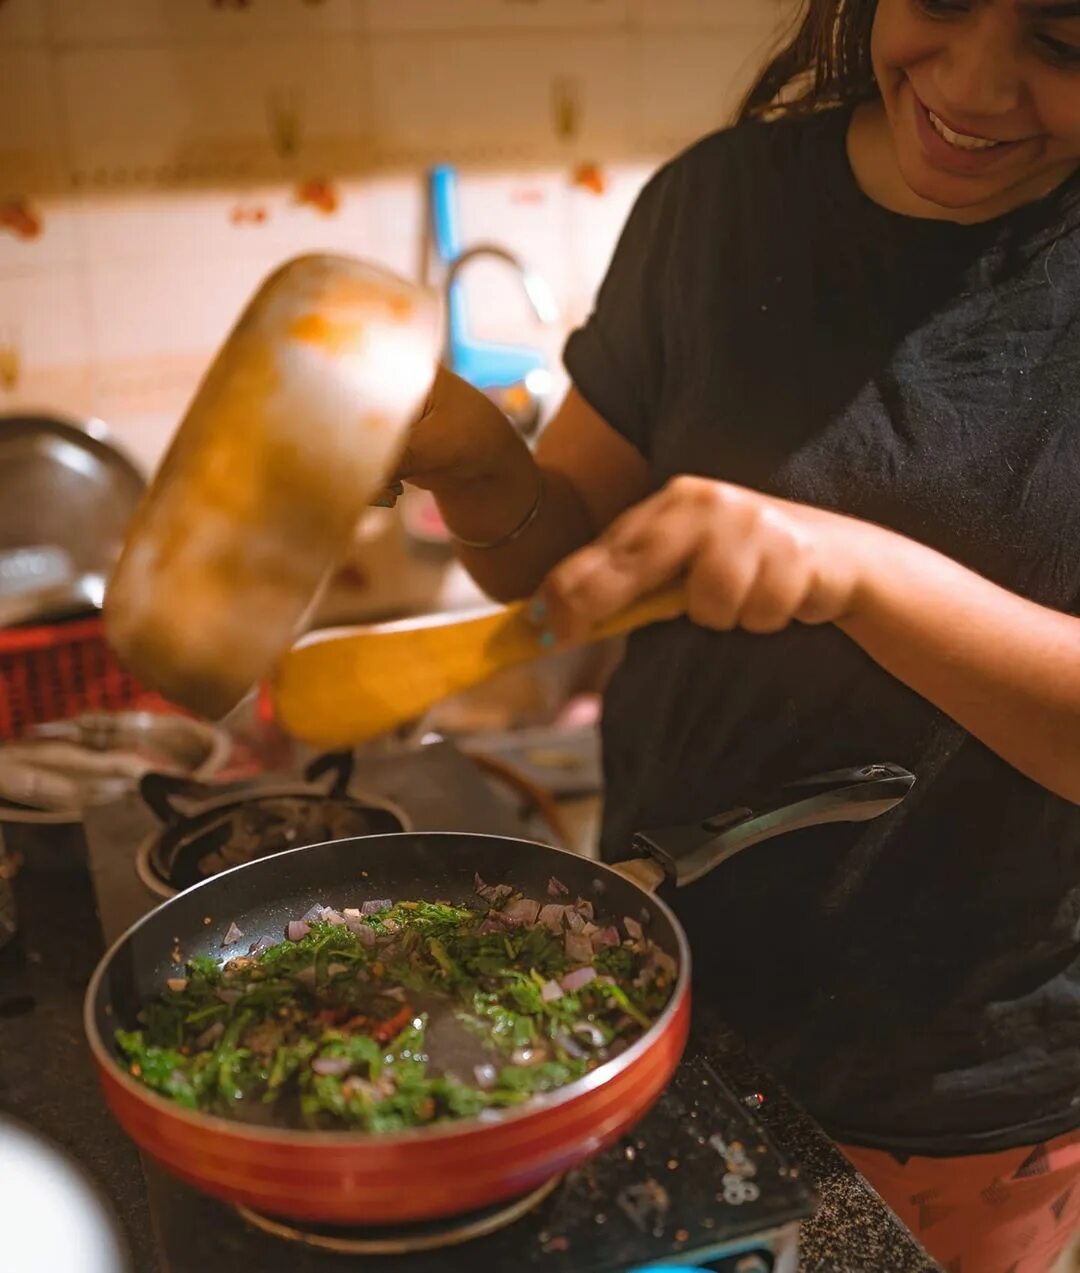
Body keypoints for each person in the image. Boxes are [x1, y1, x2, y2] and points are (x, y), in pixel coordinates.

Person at [393, 2, 1080, 1269]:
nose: (978, 85)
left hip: (957, 1088)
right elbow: (562, 560)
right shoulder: (711, 206)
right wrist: (471, 460)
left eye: (1064, 40)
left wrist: (852, 571)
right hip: (650, 1001)